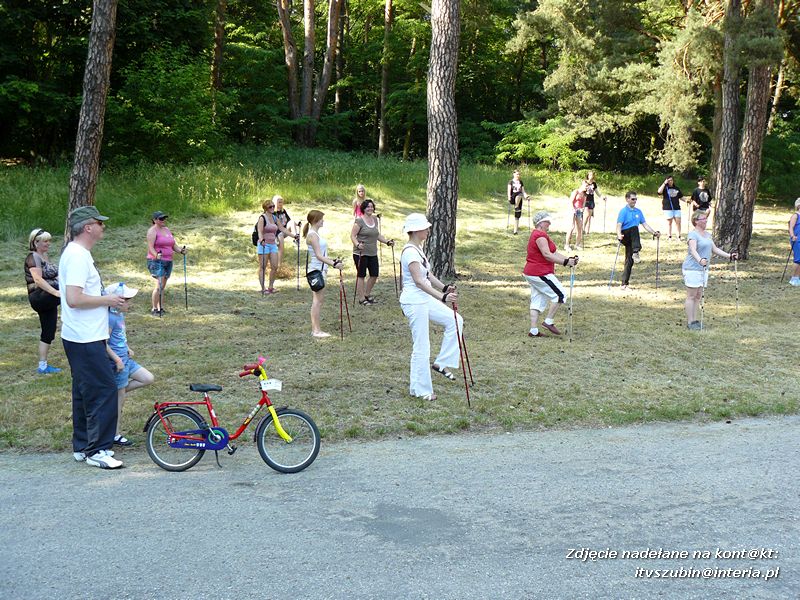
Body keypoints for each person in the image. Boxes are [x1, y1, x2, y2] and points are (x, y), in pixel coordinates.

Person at [59, 205, 129, 469]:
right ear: (88, 227)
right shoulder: (77, 256)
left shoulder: (76, 253)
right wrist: (109, 299)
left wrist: (106, 298)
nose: (103, 227)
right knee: (104, 390)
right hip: (84, 337)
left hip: (82, 335)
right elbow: (74, 299)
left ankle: (82, 446)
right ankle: (97, 450)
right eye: (100, 223)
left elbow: (79, 294)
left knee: (83, 392)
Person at [399, 213, 462, 401]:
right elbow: (419, 281)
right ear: (417, 230)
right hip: (414, 301)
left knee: (455, 320)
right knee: (421, 346)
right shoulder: (410, 252)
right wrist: (442, 296)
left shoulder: (417, 249)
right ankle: (420, 390)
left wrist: (443, 287)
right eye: (425, 228)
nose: (428, 230)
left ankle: (442, 363)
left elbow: (428, 275)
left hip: (424, 298)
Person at [104, 283, 154, 445]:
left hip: (126, 360)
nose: (129, 303)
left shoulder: (119, 315)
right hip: (118, 364)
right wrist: (117, 360)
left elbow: (118, 339)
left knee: (147, 378)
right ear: (116, 301)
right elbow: (103, 343)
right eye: (126, 300)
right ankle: (114, 434)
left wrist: (127, 348)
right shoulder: (110, 318)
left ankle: (116, 391)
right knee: (119, 403)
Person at [524, 211, 579, 337]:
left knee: (537, 299)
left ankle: (533, 331)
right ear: (541, 223)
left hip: (532, 272)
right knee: (560, 294)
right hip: (539, 272)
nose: (549, 223)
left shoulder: (540, 235)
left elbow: (553, 253)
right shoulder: (540, 236)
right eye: (547, 221)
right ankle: (548, 321)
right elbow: (547, 255)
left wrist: (568, 260)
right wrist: (565, 262)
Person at [683, 210, 738, 329]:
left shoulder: (707, 235)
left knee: (698, 295)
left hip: (704, 269)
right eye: (703, 219)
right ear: (696, 221)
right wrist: (700, 260)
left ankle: (696, 320)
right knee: (691, 295)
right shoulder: (693, 235)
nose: (706, 221)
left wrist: (729, 256)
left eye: (706, 219)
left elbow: (715, 249)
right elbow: (693, 250)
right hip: (692, 268)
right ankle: (690, 322)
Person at [24, 228, 62, 374]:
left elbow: (56, 276)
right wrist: (57, 292)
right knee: (72, 294)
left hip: (48, 296)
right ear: (36, 242)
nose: (48, 244)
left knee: (49, 331)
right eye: (45, 241)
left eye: (49, 241)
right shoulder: (32, 257)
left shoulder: (44, 256)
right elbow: (38, 280)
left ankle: (43, 366)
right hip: (40, 297)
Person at [304, 210, 344, 338]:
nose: (323, 221)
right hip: (317, 271)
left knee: (319, 300)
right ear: (316, 220)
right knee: (317, 301)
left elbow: (322, 254)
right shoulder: (313, 235)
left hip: (321, 269)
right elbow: (319, 256)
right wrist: (334, 264)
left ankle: (316, 329)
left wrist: (333, 261)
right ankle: (316, 330)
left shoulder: (315, 234)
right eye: (321, 218)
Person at [351, 199, 395, 305]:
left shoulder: (375, 220)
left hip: (372, 252)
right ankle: (361, 299)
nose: (370, 209)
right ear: (364, 209)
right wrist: (357, 244)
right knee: (361, 275)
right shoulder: (359, 221)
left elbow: (377, 235)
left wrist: (387, 242)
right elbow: (352, 235)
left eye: (371, 207)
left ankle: (367, 294)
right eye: (368, 207)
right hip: (360, 253)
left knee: (374, 274)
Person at [616, 191, 660, 290]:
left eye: (636, 199)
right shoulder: (624, 211)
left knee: (629, 260)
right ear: (627, 199)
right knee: (634, 228)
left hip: (633, 238)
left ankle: (624, 284)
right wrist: (619, 234)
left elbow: (645, 224)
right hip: (625, 235)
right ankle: (636, 252)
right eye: (632, 199)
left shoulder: (638, 212)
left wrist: (653, 232)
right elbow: (619, 224)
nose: (634, 201)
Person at [146, 211, 187, 315]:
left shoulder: (167, 230)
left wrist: (181, 251)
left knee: (163, 285)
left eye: (164, 218)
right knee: (159, 284)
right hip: (156, 261)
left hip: (168, 261)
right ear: (155, 220)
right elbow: (150, 247)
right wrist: (156, 255)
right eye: (160, 219)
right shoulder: (152, 231)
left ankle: (161, 308)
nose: (163, 220)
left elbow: (173, 245)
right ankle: (154, 308)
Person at [256, 198, 298, 295]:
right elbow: (259, 231)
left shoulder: (275, 218)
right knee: (263, 266)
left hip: (273, 244)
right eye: (270, 206)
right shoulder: (262, 218)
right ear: (266, 208)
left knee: (274, 266)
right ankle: (263, 288)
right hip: (264, 244)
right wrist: (261, 240)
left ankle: (271, 287)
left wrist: (294, 236)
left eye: (273, 206)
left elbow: (282, 228)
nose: (272, 208)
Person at [657, 175, 683, 240]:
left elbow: (681, 197)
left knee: (678, 222)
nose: (670, 181)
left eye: (671, 180)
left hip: (676, 208)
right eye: (669, 180)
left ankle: (679, 236)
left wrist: (687, 200)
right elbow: (659, 192)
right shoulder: (665, 188)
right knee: (669, 222)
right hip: (668, 208)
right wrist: (664, 183)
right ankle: (669, 236)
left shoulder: (676, 188)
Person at [273, 195, 296, 266]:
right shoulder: (272, 212)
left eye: (282, 202)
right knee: (280, 239)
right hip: (276, 233)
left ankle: (296, 238)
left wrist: (296, 223)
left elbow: (289, 221)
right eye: (279, 202)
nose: (281, 204)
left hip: (284, 231)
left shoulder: (283, 211)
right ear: (274, 203)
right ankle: (279, 264)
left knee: (293, 222)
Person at [565, 182, 587, 251]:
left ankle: (577, 244)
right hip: (573, 210)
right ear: (582, 185)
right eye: (585, 186)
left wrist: (582, 209)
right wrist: (573, 209)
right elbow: (571, 201)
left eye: (587, 186)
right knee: (571, 227)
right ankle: (567, 245)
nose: (586, 187)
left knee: (579, 227)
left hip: (579, 211)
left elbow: (583, 204)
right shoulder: (576, 191)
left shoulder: (585, 195)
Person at [507, 170, 527, 235]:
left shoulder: (521, 182)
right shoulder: (511, 182)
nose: (518, 175)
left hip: (519, 198)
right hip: (513, 197)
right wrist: (509, 198)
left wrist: (526, 196)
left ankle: (515, 231)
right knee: (519, 193)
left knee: (517, 215)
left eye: (519, 174)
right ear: (513, 174)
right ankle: (516, 206)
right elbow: (509, 191)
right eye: (517, 174)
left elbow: (523, 191)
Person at [583, 171, 603, 235]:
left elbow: (597, 192)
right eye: (590, 175)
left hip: (591, 200)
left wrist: (602, 197)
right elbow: (582, 190)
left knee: (589, 216)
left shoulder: (594, 184)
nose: (591, 176)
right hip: (585, 200)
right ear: (588, 176)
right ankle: (582, 228)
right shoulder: (584, 182)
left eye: (592, 175)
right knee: (587, 215)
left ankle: (587, 231)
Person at [788, 198, 800, 287]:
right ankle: (793, 278)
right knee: (798, 259)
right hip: (796, 239)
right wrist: (792, 236)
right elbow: (791, 228)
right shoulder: (795, 216)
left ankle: (797, 277)